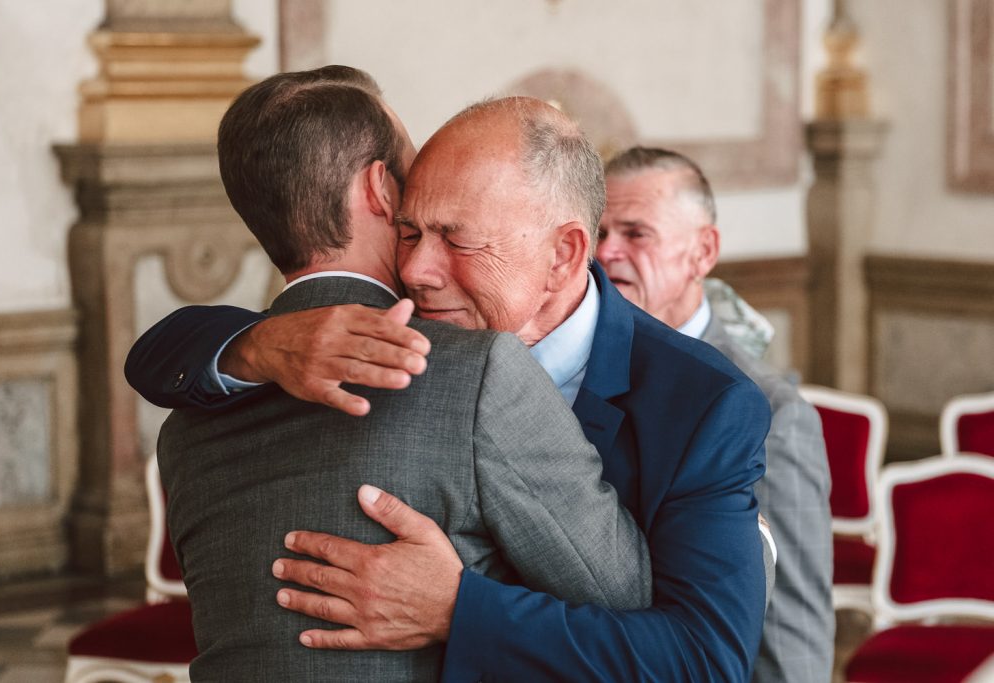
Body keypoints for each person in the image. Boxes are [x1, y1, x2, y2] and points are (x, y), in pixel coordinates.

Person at [128, 97, 772, 680]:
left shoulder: (703, 402)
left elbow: (705, 661)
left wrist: (461, 610)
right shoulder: (385, 334)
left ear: (564, 255)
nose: (415, 269)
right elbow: (166, 352)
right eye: (407, 232)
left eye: (455, 239)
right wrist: (252, 346)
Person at [597, 146, 835, 683]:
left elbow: (791, 642)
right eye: (600, 231)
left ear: (703, 253)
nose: (607, 252)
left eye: (636, 234)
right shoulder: (578, 366)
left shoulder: (773, 411)